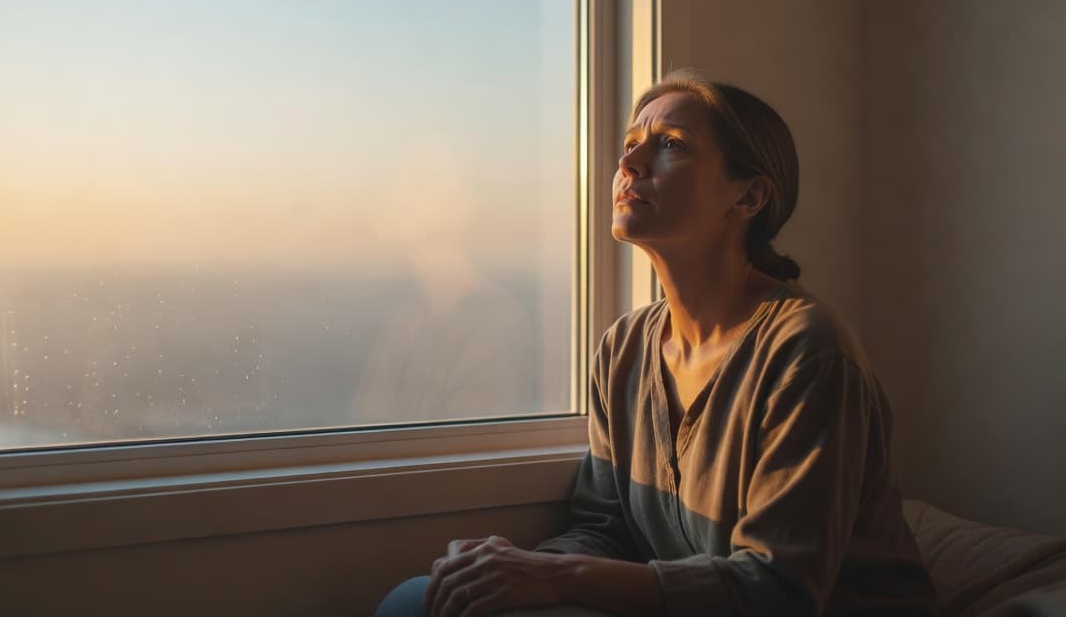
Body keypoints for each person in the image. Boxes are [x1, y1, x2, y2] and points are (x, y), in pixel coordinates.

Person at [376, 70, 936, 616]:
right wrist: (511, 573)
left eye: (671, 144)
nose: (628, 163)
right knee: (416, 599)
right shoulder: (623, 349)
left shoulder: (806, 352)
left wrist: (558, 577)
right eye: (630, 144)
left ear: (748, 197)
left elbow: (778, 589)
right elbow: (606, 529)